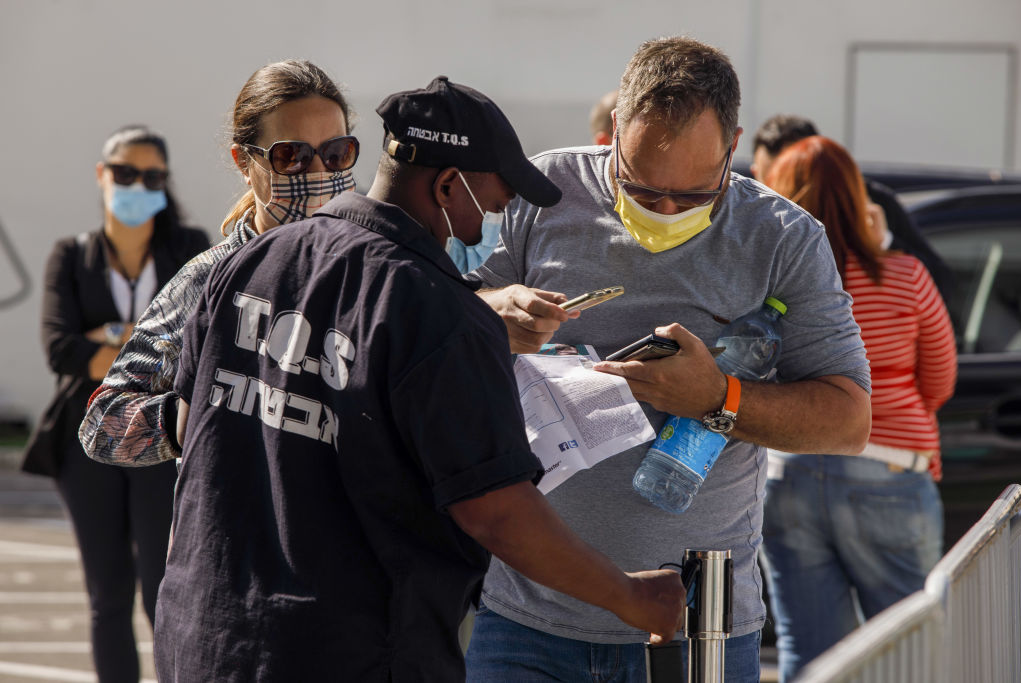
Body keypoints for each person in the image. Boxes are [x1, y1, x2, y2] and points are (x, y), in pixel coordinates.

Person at [155, 75, 687, 682]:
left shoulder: (249, 262)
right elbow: (497, 512)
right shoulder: (438, 312)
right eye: (498, 190)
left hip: (202, 636)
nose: (504, 207)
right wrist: (629, 595)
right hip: (348, 653)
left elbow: (192, 433)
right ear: (445, 184)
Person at [466, 37, 872, 682]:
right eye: (641, 188)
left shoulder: (784, 239)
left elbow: (849, 422)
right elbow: (447, 315)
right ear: (614, 133)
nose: (663, 211)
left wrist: (719, 399)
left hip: (697, 630)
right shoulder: (544, 193)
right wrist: (493, 311)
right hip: (527, 617)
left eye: (693, 197)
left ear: (732, 147)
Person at [79, 60, 358, 468]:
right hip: (230, 526)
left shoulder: (374, 274)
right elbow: (100, 425)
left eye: (336, 153)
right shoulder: (209, 279)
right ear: (245, 163)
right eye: (291, 156)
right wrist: (189, 416)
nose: (318, 172)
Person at [759, 135, 956, 682]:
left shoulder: (772, 283)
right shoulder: (905, 276)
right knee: (908, 646)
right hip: (889, 468)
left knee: (809, 649)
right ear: (856, 194)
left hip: (788, 467)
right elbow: (939, 381)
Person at [21, 125, 210, 682]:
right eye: (124, 173)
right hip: (87, 443)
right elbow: (61, 349)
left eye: (150, 176)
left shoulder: (189, 247)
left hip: (162, 438)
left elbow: (199, 341)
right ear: (102, 176)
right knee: (107, 597)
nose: (136, 185)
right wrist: (144, 344)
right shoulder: (72, 255)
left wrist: (108, 341)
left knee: (164, 590)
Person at [750, 113, 956, 304]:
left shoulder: (874, 203)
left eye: (790, 179)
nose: (777, 196)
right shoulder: (752, 223)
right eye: (766, 181)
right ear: (754, 172)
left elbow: (939, 283)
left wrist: (885, 242)